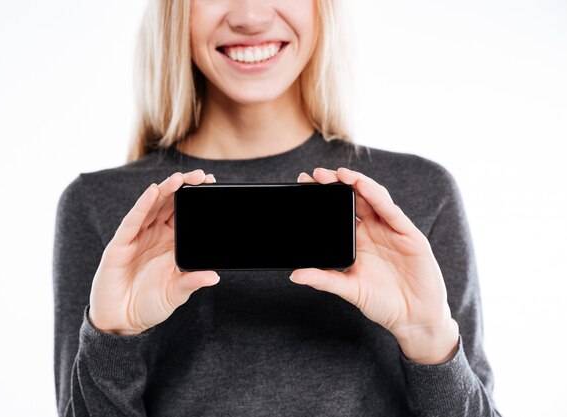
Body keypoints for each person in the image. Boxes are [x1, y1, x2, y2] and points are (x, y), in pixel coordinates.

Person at [53, 0, 501, 416]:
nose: (250, 16)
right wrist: (111, 341)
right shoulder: (100, 207)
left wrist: (429, 341)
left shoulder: (419, 193)